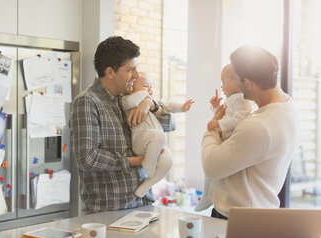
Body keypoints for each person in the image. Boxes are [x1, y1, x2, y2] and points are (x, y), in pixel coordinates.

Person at [70, 36, 176, 214]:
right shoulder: (87, 102)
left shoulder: (128, 98)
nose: (136, 76)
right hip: (109, 210)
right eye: (130, 70)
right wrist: (135, 161)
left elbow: (170, 124)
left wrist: (151, 105)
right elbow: (87, 158)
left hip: (143, 203)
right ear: (110, 72)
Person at [201, 46, 298, 219]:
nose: (230, 81)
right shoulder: (288, 106)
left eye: (233, 76)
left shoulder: (259, 127)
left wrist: (214, 126)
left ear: (248, 83)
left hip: (237, 219)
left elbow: (211, 166)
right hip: (258, 213)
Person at [121, 72, 194, 197]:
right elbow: (128, 103)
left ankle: (144, 187)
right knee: (158, 135)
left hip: (155, 142)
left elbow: (168, 105)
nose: (149, 90)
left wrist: (182, 107)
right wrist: (144, 96)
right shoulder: (128, 99)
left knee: (168, 161)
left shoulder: (152, 101)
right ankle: (149, 163)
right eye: (145, 86)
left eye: (150, 86)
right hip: (141, 140)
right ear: (132, 88)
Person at [195, 65, 252, 211]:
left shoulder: (242, 100)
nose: (222, 86)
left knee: (212, 168)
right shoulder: (233, 99)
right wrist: (216, 108)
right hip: (223, 138)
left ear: (235, 81)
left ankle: (208, 196)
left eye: (224, 82)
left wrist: (218, 122)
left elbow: (239, 119)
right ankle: (207, 196)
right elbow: (226, 116)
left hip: (230, 141)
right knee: (210, 169)